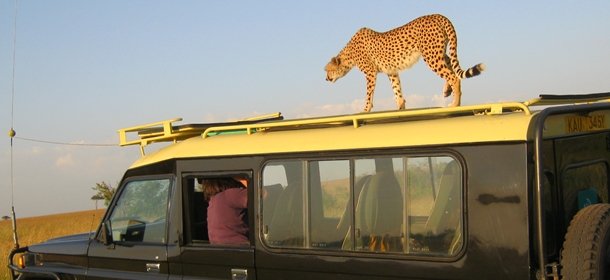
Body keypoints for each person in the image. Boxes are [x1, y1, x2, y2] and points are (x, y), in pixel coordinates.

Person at [200, 177, 249, 245]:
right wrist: (244, 180)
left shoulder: (212, 202)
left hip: (220, 249)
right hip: (240, 247)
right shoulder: (230, 195)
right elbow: (262, 195)